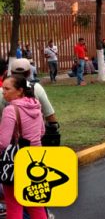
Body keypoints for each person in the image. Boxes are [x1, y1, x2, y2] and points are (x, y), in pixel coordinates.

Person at [0, 76, 47, 219]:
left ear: (20, 91)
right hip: (36, 161)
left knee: (14, 206)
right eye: (3, 89)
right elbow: (41, 132)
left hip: (16, 162)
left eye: (7, 89)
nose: (4, 92)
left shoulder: (10, 110)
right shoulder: (36, 106)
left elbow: (3, 142)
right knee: (35, 205)